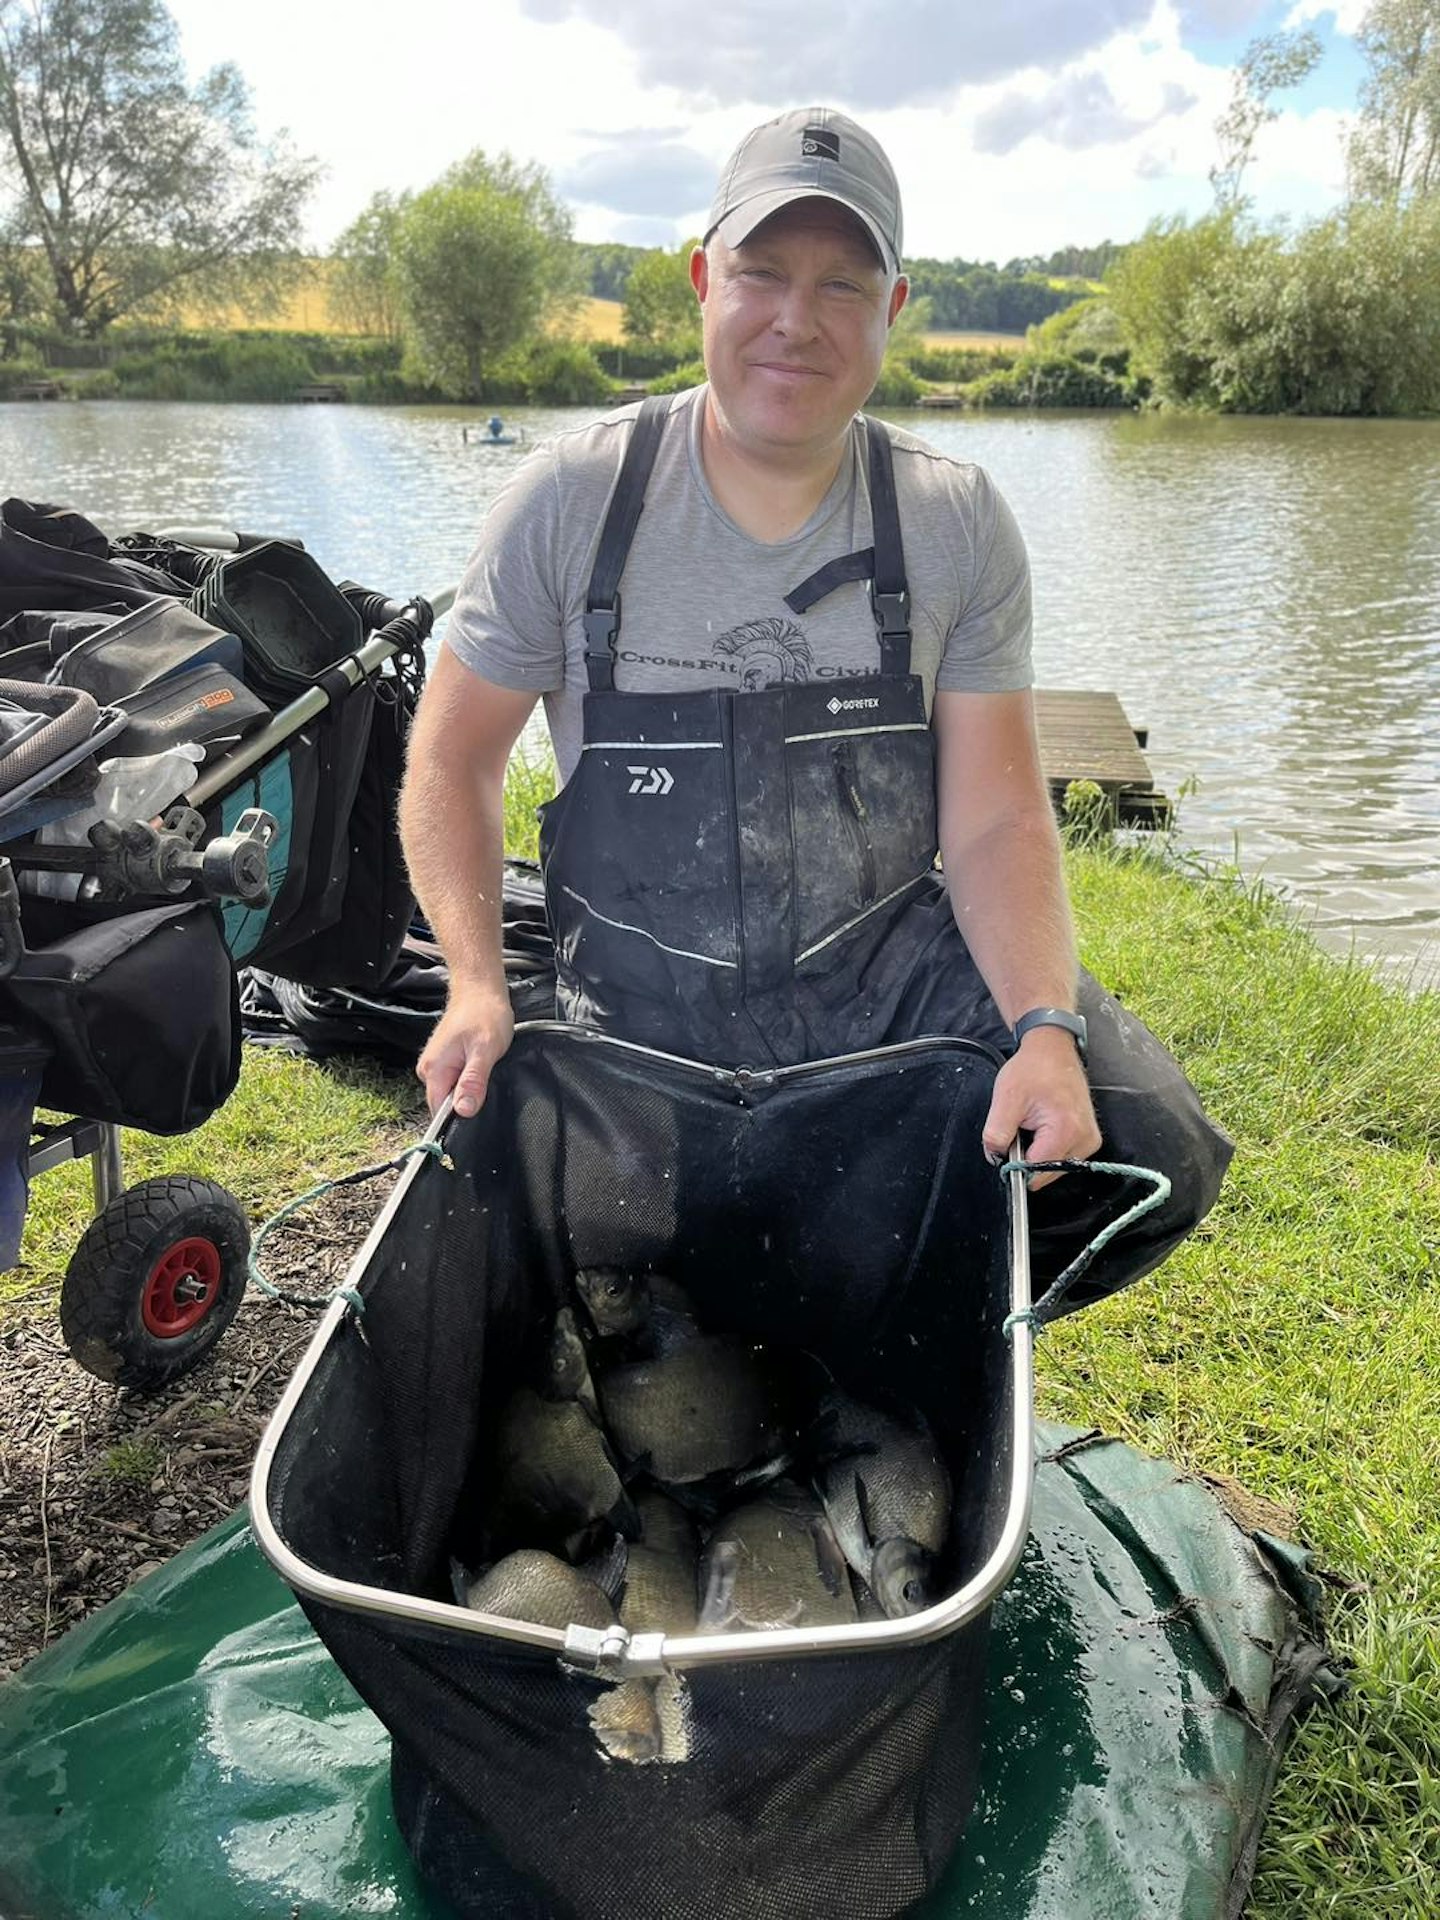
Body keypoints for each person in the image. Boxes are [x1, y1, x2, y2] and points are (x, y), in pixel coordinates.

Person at [399, 105, 1230, 1305]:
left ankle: (901, 1319)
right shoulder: (572, 499)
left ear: (893, 310)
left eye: (844, 284)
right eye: (762, 273)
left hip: (880, 973)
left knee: (1147, 1143)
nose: (797, 319)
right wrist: (476, 981)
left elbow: (996, 824)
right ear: (702, 281)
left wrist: (1045, 1024)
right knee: (628, 1259)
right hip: (641, 1001)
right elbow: (451, 763)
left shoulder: (955, 522)